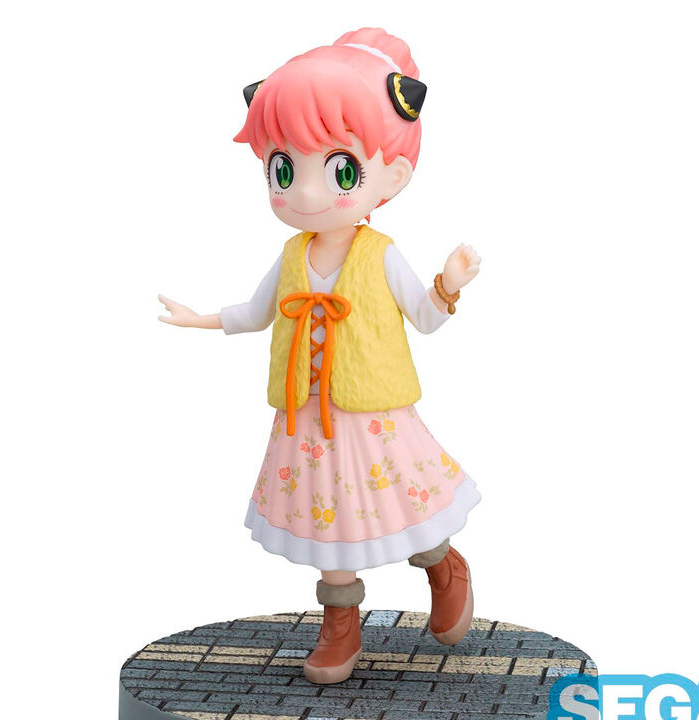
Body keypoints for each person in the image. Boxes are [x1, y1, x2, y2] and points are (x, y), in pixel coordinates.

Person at [159, 27, 482, 684]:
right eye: (284, 169)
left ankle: (443, 567)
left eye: (339, 170)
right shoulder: (291, 255)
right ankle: (341, 623)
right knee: (327, 521)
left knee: (407, 505)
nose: (304, 192)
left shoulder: (380, 253)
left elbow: (424, 318)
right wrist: (202, 319)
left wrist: (447, 286)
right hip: (307, 417)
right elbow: (257, 312)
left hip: (373, 416)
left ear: (392, 174)